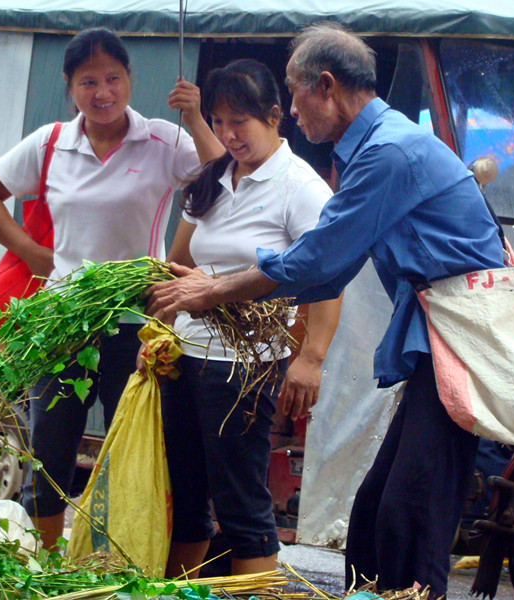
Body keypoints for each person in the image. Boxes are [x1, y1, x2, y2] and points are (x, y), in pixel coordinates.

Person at [147, 23, 505, 598]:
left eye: (293, 93)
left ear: (327, 86)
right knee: (371, 516)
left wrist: (214, 294)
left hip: (464, 340)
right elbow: (332, 266)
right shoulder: (372, 148)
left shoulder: (385, 152)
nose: (291, 108)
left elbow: (318, 262)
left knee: (408, 511)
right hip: (433, 341)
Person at [0, 27, 224, 551]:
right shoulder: (52, 142)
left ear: (130, 80)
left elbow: (223, 176)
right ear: (69, 86)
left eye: (112, 79)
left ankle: (127, 559)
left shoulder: (162, 140)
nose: (102, 92)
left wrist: (194, 116)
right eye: (88, 82)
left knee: (140, 450)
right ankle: (48, 566)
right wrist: (34, 255)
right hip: (61, 324)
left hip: (137, 324)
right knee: (51, 453)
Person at [156, 58, 341, 577]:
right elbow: (180, 265)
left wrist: (310, 359)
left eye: (240, 121)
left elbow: (328, 279)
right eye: (218, 121)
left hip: (245, 367)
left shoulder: (299, 187)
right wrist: (161, 333)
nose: (228, 134)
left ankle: (257, 589)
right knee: (186, 494)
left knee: (240, 503)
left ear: (275, 115)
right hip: (184, 359)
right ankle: (180, 589)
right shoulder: (213, 176)